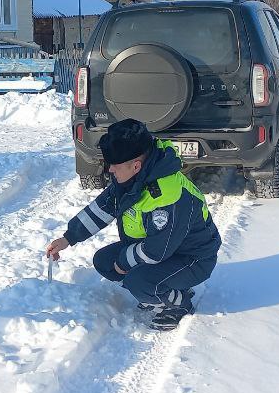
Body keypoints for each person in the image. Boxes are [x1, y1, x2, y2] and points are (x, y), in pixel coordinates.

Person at [46, 119, 221, 331]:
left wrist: (124, 262)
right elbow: (102, 208)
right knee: (103, 261)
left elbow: (156, 252)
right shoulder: (134, 179)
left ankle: (178, 303)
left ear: (136, 165)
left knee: (138, 281)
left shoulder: (168, 196)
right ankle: (161, 287)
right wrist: (68, 238)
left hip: (192, 258)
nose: (110, 170)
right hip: (162, 249)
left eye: (114, 165)